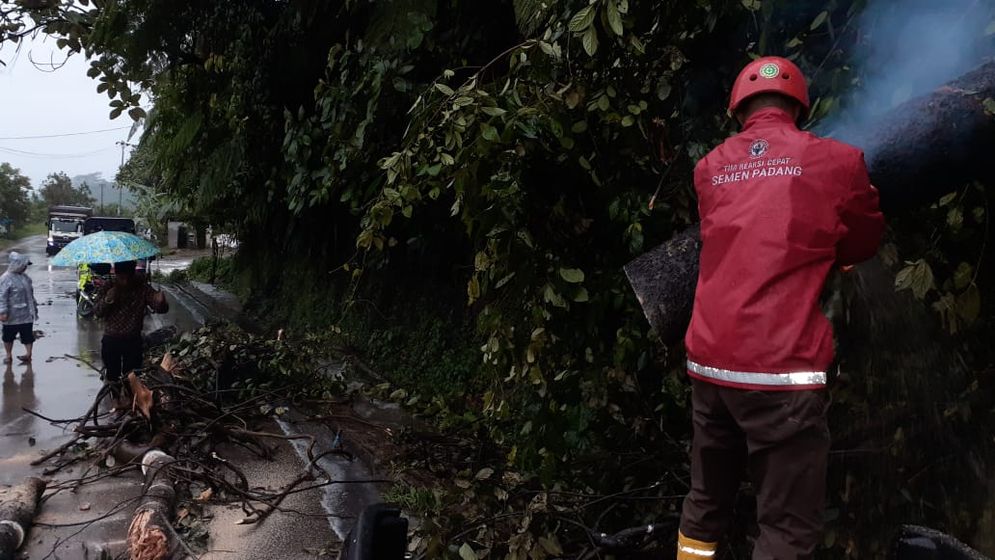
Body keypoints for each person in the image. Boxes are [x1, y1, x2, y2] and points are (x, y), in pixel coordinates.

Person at [676, 57, 885, 559]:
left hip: (709, 367)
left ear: (737, 109)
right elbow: (863, 241)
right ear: (799, 106)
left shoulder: (709, 169)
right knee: (787, 531)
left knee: (705, 502)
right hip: (780, 375)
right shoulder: (839, 161)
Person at [93, 260, 169, 394]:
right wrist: (107, 300)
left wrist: (161, 302)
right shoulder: (108, 286)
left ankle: (132, 404)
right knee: (112, 376)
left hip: (133, 340)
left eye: (129, 277)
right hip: (111, 340)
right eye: (121, 278)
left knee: (133, 377)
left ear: (133, 273)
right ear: (116, 274)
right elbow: (98, 312)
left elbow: (159, 308)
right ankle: (116, 401)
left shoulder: (142, 288)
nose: (125, 281)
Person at [0, 252, 38, 364]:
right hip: (11, 315)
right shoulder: (5, 279)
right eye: (24, 265)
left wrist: (34, 309)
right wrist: (2, 312)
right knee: (8, 337)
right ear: (17, 264)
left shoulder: (26, 278)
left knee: (27, 336)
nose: (25, 268)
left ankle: (28, 354)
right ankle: (8, 355)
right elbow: (2, 296)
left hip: (26, 314)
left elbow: (31, 296)